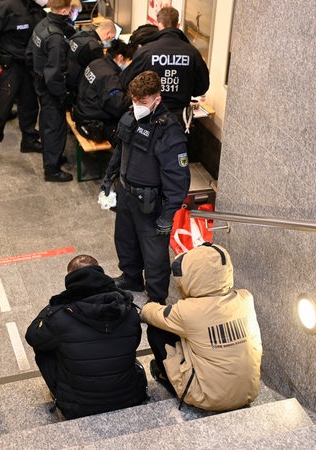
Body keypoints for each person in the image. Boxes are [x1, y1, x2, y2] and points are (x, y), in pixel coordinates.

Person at [141, 244, 263, 411]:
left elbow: (150, 314)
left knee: (157, 331)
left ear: (191, 277)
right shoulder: (245, 298)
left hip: (206, 398)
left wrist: (149, 305)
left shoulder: (187, 311)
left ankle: (166, 377)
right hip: (249, 392)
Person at [24, 255, 148, 419]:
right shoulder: (128, 309)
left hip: (78, 408)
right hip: (130, 398)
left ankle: (60, 392)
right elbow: (135, 342)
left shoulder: (60, 316)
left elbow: (32, 336)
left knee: (44, 347)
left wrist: (54, 305)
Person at [103, 71, 190, 304]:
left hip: (151, 204)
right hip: (126, 194)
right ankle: (131, 278)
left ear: (156, 100)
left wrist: (168, 215)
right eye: (134, 99)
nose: (136, 105)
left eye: (142, 102)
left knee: (154, 255)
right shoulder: (131, 116)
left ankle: (156, 297)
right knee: (125, 241)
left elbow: (178, 179)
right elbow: (120, 151)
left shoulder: (169, 132)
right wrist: (108, 178)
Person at [0, 0, 46, 165]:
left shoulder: (37, 8)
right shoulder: (8, 6)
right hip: (9, 66)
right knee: (2, 108)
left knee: (30, 104)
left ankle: (29, 139)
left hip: (28, 65)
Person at [120, 7, 209, 124]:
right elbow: (202, 87)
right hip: (179, 118)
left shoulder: (146, 52)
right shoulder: (192, 53)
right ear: (178, 25)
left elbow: (125, 81)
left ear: (158, 24)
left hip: (150, 116)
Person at [26, 0, 77, 182]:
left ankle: (52, 157)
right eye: (70, 9)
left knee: (47, 122)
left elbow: (29, 54)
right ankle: (52, 170)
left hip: (39, 82)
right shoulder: (56, 39)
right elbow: (55, 74)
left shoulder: (42, 24)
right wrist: (62, 94)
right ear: (64, 10)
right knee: (54, 126)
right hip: (51, 89)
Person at [72, 38, 136, 145]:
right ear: (120, 57)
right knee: (131, 129)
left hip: (81, 114)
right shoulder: (109, 76)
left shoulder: (96, 63)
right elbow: (118, 107)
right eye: (128, 60)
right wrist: (132, 94)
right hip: (93, 126)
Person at [65, 19, 117, 101]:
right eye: (112, 38)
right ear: (108, 33)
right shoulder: (95, 48)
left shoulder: (80, 34)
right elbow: (101, 72)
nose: (110, 41)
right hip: (78, 87)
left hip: (67, 77)